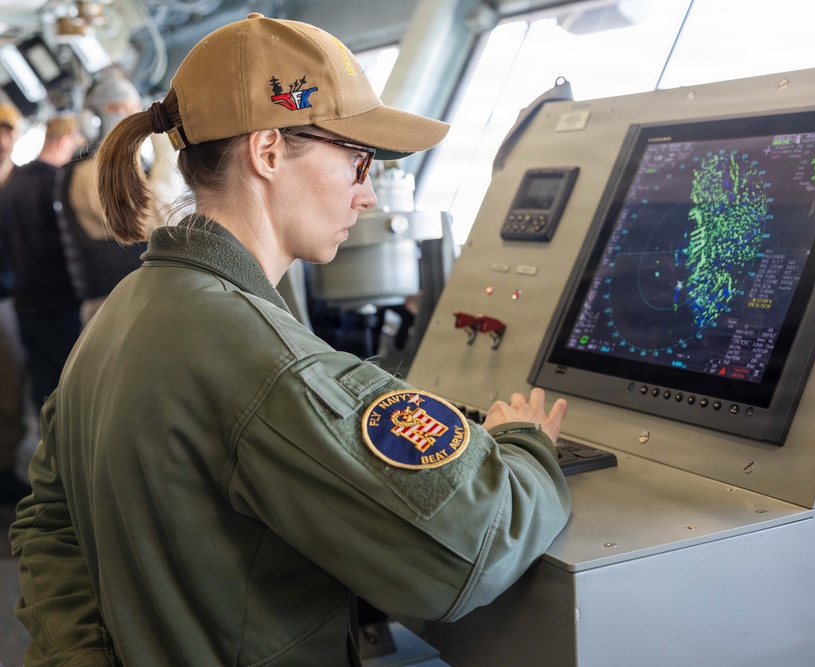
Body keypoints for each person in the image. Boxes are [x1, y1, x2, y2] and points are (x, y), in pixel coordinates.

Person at [10, 13, 572, 667]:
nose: (366, 195)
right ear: (268, 150)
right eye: (358, 161)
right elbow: (471, 548)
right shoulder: (267, 363)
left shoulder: (120, 314)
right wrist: (525, 447)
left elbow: (49, 519)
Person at [0, 115, 82, 425]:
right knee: (71, 397)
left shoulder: (12, 185)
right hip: (59, 307)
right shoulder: (57, 185)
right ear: (65, 141)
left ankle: (48, 463)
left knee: (44, 398)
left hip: (24, 306)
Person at [55, 73, 148, 325]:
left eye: (135, 110)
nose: (132, 119)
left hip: (128, 296)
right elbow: (144, 224)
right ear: (91, 120)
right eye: (120, 110)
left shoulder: (110, 167)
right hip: (115, 303)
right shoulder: (94, 171)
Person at [0, 101, 31, 505]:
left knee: (12, 389)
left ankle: (5, 467)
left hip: (13, 298)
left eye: (5, 131)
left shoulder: (22, 182)